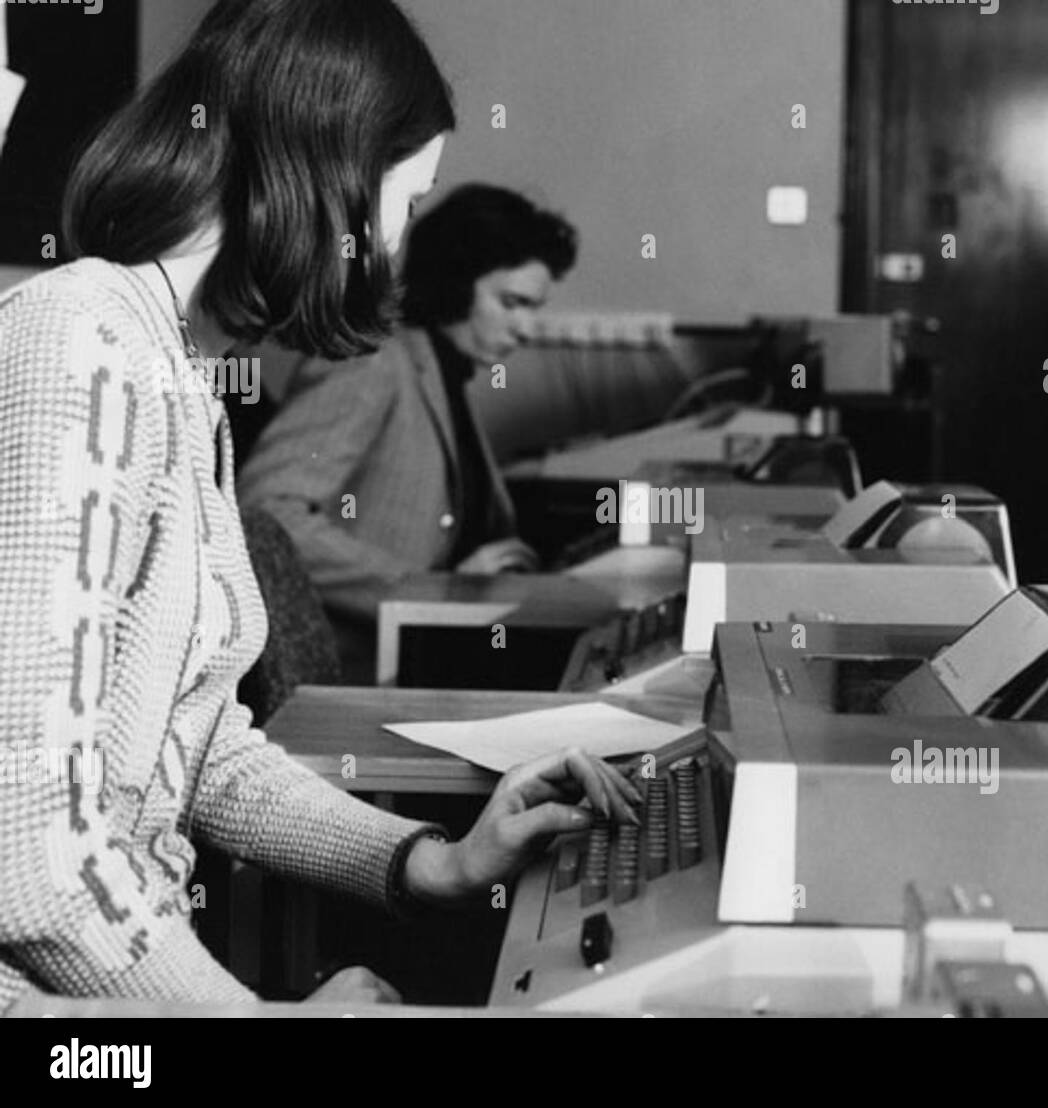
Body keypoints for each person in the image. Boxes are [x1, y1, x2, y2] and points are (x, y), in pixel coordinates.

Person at [0, 0, 637, 1014]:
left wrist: (432, 861)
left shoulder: (175, 369)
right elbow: (33, 853)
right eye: (405, 203)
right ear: (327, 167)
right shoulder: (81, 345)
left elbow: (203, 751)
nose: (394, 248)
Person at [237, 185, 578, 679]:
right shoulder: (372, 361)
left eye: (533, 308)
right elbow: (266, 513)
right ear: (458, 284)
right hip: (356, 667)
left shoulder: (442, 371)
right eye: (512, 302)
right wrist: (424, 589)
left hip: (429, 655)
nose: (526, 328)